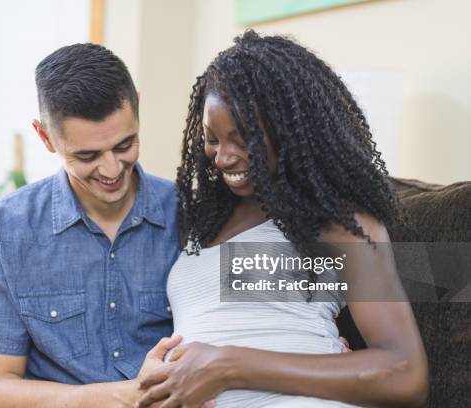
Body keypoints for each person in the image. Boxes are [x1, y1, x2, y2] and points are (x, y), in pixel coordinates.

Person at [137, 30, 429, 408]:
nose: (223, 157)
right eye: (212, 138)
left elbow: (405, 373)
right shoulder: (198, 220)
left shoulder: (337, 223)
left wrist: (230, 365)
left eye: (243, 140)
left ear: (292, 134)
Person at [0, 43, 183, 407]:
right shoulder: (2, 231)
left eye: (125, 145)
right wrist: (125, 397)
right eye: (87, 156)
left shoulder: (191, 214)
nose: (112, 170)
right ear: (46, 137)